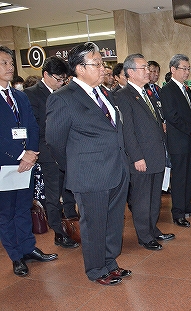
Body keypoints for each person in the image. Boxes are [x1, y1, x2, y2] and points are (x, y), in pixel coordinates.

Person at [45, 42, 130, 286]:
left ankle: (110, 262)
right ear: (80, 68)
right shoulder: (63, 98)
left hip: (116, 169)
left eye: (103, 63)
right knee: (93, 225)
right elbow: (55, 142)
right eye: (97, 63)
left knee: (113, 222)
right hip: (90, 173)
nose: (103, 68)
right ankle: (96, 269)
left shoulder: (104, 93)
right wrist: (74, 166)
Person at [0, 45, 58, 277]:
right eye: (4, 62)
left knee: (24, 207)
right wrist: (18, 155)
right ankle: (15, 256)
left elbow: (32, 126)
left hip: (27, 163)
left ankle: (27, 247)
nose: (9, 67)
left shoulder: (19, 95)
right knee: (6, 212)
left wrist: (32, 152)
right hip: (5, 165)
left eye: (11, 63)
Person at [115, 53, 175, 251]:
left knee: (154, 197)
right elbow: (128, 131)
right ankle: (144, 235)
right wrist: (137, 157)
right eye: (143, 68)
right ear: (131, 72)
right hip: (142, 157)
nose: (148, 71)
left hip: (156, 154)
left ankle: (152, 229)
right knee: (141, 199)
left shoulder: (147, 92)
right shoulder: (123, 96)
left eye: (148, 68)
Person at [24, 56, 80, 249]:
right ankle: (58, 231)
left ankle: (73, 225)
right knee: (53, 193)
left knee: (69, 189)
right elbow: (34, 126)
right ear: (45, 74)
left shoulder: (65, 93)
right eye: (57, 78)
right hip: (47, 152)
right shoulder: (31, 94)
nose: (61, 82)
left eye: (64, 79)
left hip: (67, 149)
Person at [160, 54, 191, 228]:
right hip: (178, 141)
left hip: (189, 140)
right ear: (173, 69)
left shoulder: (185, 89)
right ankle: (178, 212)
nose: (187, 72)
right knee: (179, 178)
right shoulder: (167, 90)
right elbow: (172, 116)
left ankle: (188, 205)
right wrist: (190, 128)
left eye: (188, 69)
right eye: (184, 69)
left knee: (188, 175)